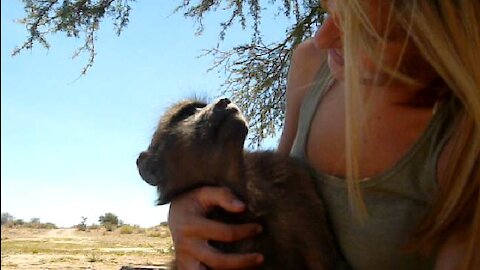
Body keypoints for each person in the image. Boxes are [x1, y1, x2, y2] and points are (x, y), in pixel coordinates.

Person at [167, 0, 480, 269]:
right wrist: (187, 208)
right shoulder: (311, 66)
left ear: (442, 43)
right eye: (330, 9)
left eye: (365, 33)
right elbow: (272, 189)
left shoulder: (461, 146)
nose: (322, 38)